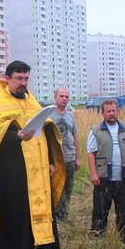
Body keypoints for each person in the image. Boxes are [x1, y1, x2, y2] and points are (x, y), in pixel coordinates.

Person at [0, 60, 66, 249]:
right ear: (7, 79)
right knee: (17, 217)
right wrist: (16, 137)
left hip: (38, 174)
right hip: (12, 175)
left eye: (26, 79)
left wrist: (51, 161)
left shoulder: (30, 101)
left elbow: (43, 129)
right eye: (19, 78)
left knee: (42, 215)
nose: (23, 83)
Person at [87, 98, 125, 244]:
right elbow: (91, 153)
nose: (112, 114)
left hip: (124, 177)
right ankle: (97, 236)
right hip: (103, 177)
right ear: (102, 113)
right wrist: (93, 173)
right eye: (108, 111)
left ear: (117, 111)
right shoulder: (95, 130)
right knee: (100, 209)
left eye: (114, 110)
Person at [50, 87, 80, 223]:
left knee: (68, 187)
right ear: (55, 98)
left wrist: (77, 158)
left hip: (69, 157)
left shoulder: (70, 116)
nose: (64, 99)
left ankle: (63, 215)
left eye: (66, 97)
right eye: (61, 96)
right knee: (55, 187)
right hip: (54, 160)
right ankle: (53, 215)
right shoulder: (48, 115)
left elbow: (75, 137)